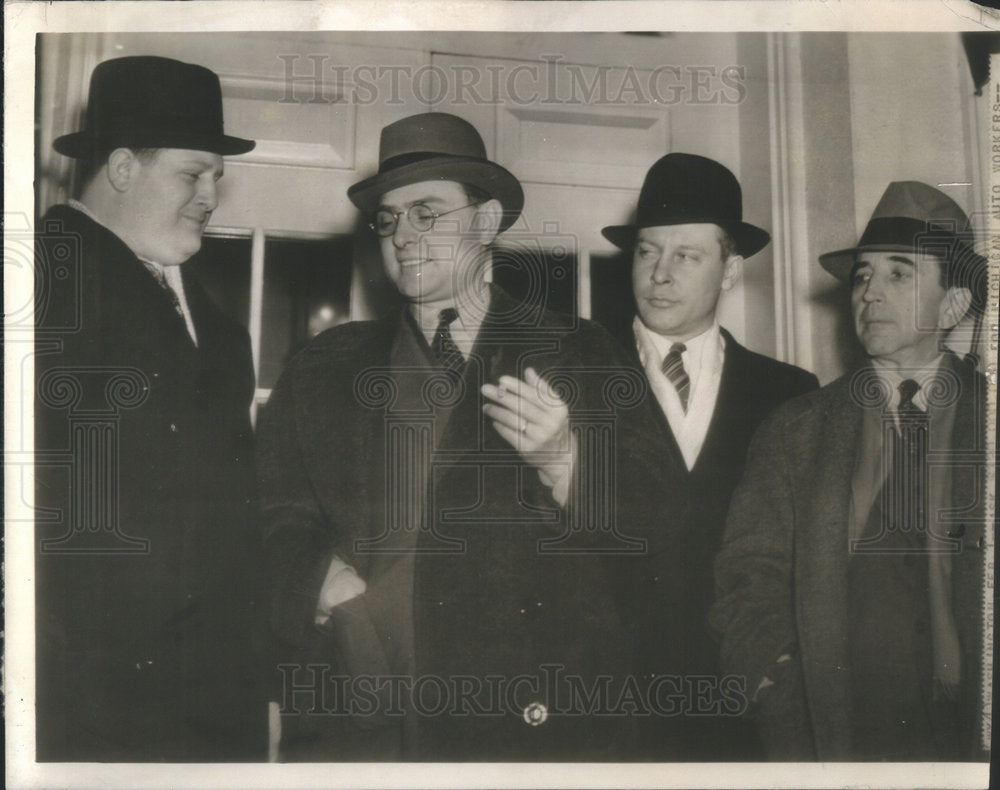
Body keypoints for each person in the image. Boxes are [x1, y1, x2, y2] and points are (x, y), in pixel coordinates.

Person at [258, 112, 682, 761]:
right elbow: (269, 516)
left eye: (427, 212)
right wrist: (321, 582)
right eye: (389, 218)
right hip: (365, 716)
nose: (402, 235)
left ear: (485, 222)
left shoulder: (579, 351)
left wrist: (566, 461)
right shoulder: (322, 367)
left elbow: (666, 526)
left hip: (529, 729)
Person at [34, 56, 267, 761]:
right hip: (90, 715)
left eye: (217, 179)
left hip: (215, 713)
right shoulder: (39, 285)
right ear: (124, 168)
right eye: (193, 174)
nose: (210, 197)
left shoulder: (220, 328)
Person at [711, 181, 989, 761]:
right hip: (837, 732)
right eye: (863, 276)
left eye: (899, 274)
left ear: (953, 304)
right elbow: (746, 576)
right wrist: (780, 692)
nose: (869, 294)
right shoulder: (797, 428)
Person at [600, 153, 818, 759]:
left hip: (739, 712)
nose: (660, 274)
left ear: (730, 270)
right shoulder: (576, 375)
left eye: (686, 256)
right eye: (647, 252)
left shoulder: (791, 395)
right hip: (606, 708)